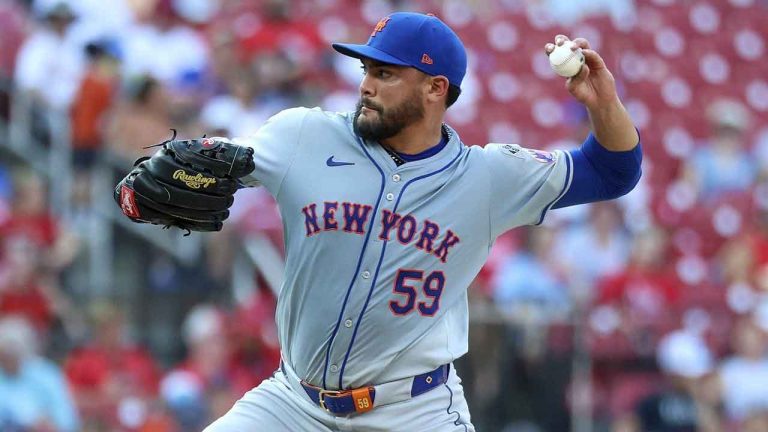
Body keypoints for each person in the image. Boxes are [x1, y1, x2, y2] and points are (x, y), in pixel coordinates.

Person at [179, 11, 641, 431]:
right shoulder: (306, 134)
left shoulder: (487, 177)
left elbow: (613, 171)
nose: (366, 85)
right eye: (366, 71)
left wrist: (601, 104)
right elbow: (208, 164)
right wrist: (151, 181)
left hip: (412, 412)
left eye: (385, 73)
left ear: (435, 88)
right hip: (292, 403)